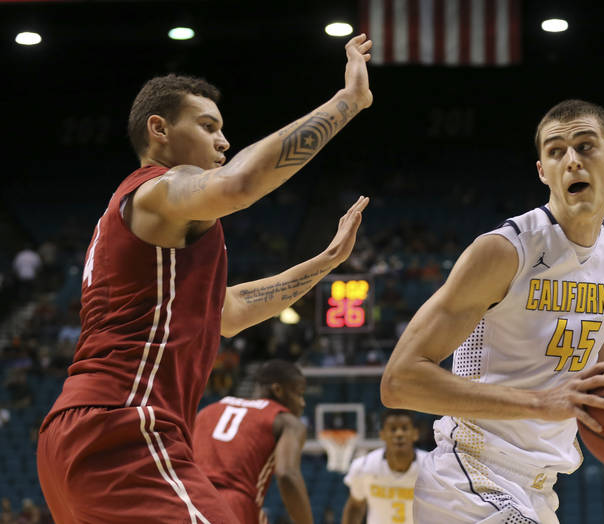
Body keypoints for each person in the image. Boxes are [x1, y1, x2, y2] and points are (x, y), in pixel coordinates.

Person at [36, 34, 374, 523]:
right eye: (208, 125)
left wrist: (325, 261)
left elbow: (229, 313)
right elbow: (239, 184)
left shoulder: (149, 229)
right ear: (159, 129)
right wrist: (348, 100)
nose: (223, 141)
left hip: (80, 431)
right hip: (126, 424)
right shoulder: (156, 190)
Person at [380, 99, 604, 524]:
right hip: (469, 477)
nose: (572, 160)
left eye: (585, 146)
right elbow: (399, 382)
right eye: (556, 151)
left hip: (539, 489)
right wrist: (540, 403)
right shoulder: (505, 251)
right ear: (543, 171)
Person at [193, 360, 311, 524]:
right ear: (277, 390)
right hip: (233, 506)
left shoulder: (207, 411)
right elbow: (287, 475)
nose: (302, 403)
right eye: (298, 394)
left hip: (188, 500)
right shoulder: (286, 421)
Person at [341, 409, 428, 524]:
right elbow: (355, 506)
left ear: (415, 434)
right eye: (393, 429)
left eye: (404, 428)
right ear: (382, 434)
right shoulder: (363, 466)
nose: (399, 434)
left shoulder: (430, 467)